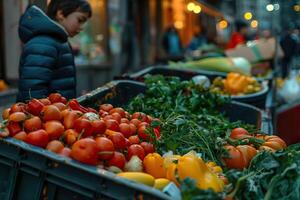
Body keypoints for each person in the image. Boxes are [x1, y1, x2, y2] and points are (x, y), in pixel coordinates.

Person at [17, 0, 92, 102]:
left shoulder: (57, 40)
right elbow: (32, 95)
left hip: (57, 114)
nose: (81, 27)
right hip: (47, 116)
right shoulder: (44, 43)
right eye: (80, 20)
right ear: (60, 13)